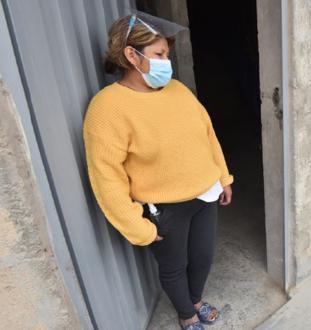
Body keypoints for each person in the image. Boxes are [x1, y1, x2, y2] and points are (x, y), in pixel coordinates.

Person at [83, 13, 233, 330]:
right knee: (174, 266)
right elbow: (106, 177)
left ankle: (194, 299)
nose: (168, 62)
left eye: (167, 54)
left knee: (203, 258)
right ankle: (187, 315)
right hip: (164, 208)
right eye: (159, 55)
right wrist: (137, 227)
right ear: (130, 55)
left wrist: (223, 177)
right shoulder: (107, 107)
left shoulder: (178, 90)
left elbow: (207, 135)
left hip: (205, 193)